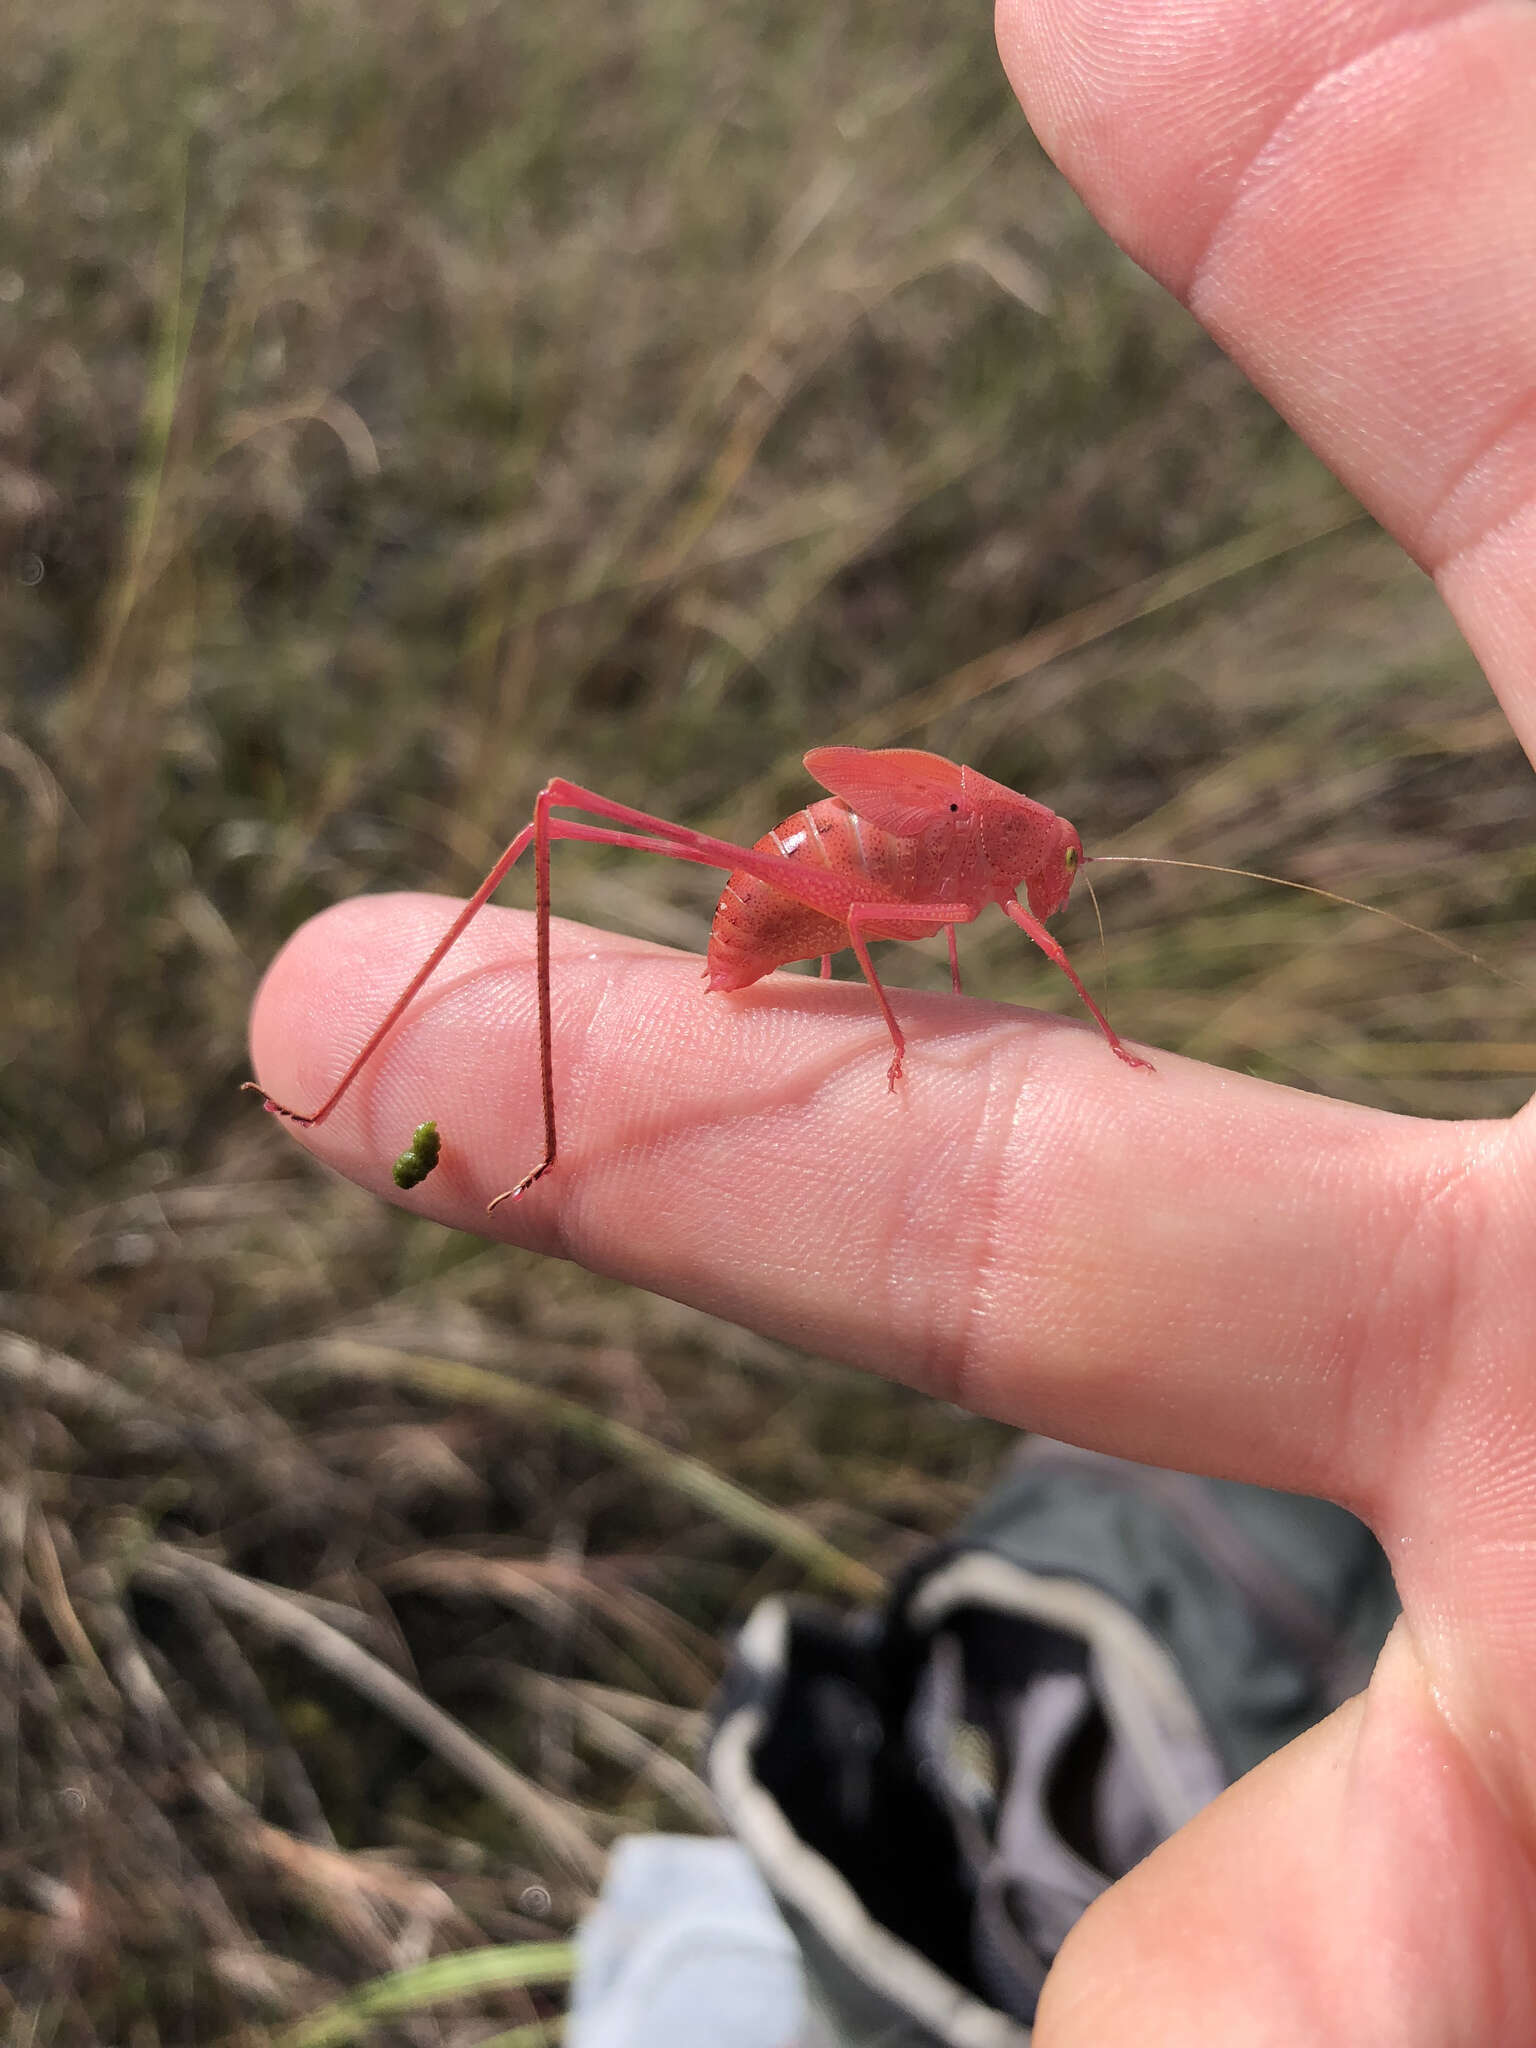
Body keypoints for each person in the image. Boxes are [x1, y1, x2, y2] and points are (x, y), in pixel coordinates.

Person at [250, 0, 1536, 2036]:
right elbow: (927, 881)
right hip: (810, 884)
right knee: (561, 822)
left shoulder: (1009, 859)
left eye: (1054, 879)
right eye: (1059, 878)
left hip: (850, 891)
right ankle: (421, 1061)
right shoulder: (983, 856)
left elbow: (966, 912)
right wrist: (891, 948)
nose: (1059, 895)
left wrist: (942, 967)